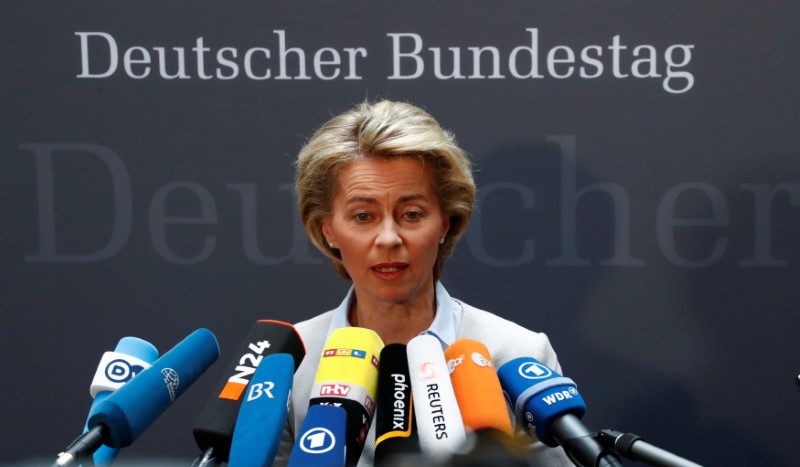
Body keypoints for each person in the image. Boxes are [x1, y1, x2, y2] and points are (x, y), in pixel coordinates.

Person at [274, 100, 571, 466]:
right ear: (327, 229)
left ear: (445, 222)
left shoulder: (515, 353)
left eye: (411, 214)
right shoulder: (289, 361)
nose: (388, 238)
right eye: (363, 216)